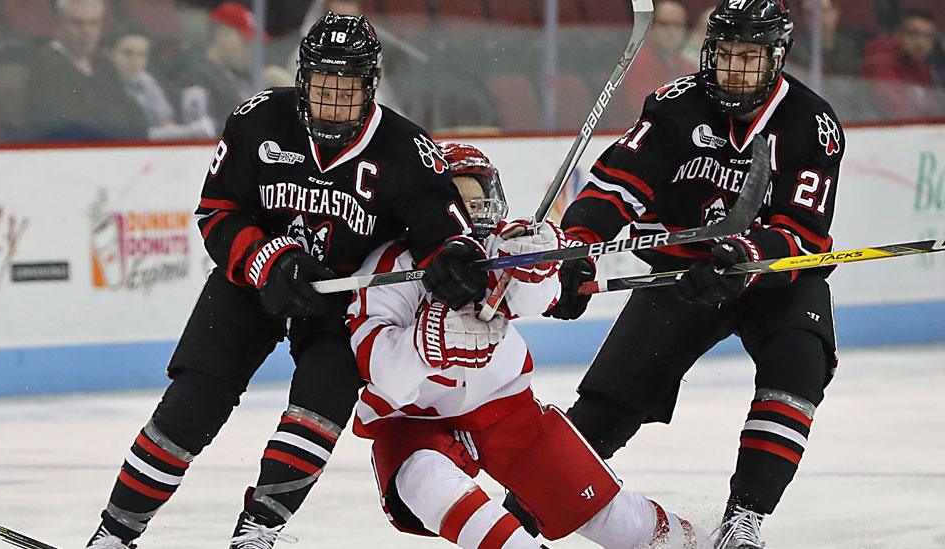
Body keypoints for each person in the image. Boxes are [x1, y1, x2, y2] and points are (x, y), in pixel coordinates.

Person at [87, 12, 489, 549]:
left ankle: (259, 530)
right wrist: (266, 261)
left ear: (371, 86)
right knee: (191, 404)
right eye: (324, 86)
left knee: (318, 408)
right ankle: (114, 533)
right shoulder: (258, 120)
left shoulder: (405, 149)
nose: (333, 101)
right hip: (255, 282)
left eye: (348, 89)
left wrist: (455, 263)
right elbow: (216, 211)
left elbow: (449, 239)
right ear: (303, 79)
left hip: (344, 301)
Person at [512, 1, 845, 547]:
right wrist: (576, 249)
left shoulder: (812, 123)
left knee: (799, 363)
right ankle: (523, 510)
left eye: (750, 57)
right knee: (608, 404)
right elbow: (615, 186)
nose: (734, 69)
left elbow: (802, 232)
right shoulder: (674, 107)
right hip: (684, 277)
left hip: (774, 278)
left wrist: (742, 258)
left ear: (777, 59)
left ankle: (744, 517)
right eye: (726, 55)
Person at [350, 141, 705, 549]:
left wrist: (538, 263)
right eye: (455, 200)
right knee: (424, 479)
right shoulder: (390, 266)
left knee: (612, 518)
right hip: (413, 421)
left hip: (507, 411)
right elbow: (376, 365)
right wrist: (429, 343)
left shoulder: (499, 247)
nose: (471, 213)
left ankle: (700, 544)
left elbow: (541, 299)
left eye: (478, 199)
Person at [26, 0, 147, 141]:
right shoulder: (47, 67)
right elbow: (75, 125)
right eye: (77, 23)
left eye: (93, 23)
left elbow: (135, 113)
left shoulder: (103, 66)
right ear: (59, 25)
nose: (86, 31)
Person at [105, 26, 217, 141]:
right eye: (128, 53)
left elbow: (165, 122)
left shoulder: (147, 82)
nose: (135, 60)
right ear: (109, 54)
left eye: (141, 55)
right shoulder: (102, 87)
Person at [618, 0, 696, 125]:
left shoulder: (687, 65)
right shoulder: (636, 63)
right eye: (664, 24)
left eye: (677, 25)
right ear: (650, 27)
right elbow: (648, 110)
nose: (671, 31)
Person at [862, 7, 945, 120]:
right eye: (913, 33)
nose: (920, 42)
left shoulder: (919, 64)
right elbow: (895, 109)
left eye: (928, 36)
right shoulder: (880, 61)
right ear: (898, 34)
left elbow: (932, 106)